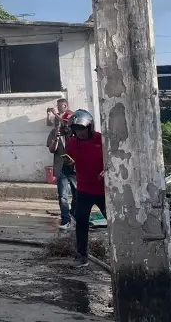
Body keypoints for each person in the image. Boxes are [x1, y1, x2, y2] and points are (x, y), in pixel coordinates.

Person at [65, 108, 106, 268]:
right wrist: (69, 164)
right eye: (76, 129)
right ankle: (81, 255)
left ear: (89, 126)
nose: (79, 132)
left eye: (81, 129)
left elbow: (113, 160)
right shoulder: (72, 143)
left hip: (103, 191)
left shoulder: (101, 140)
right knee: (81, 222)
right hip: (83, 190)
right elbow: (70, 162)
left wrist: (107, 170)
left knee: (114, 221)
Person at [47, 99, 76, 229]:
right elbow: (52, 149)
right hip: (61, 167)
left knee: (77, 194)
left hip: (75, 167)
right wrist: (56, 139)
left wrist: (56, 114)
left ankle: (74, 214)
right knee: (63, 195)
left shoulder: (73, 131)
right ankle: (66, 220)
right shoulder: (54, 132)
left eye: (60, 107)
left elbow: (66, 122)